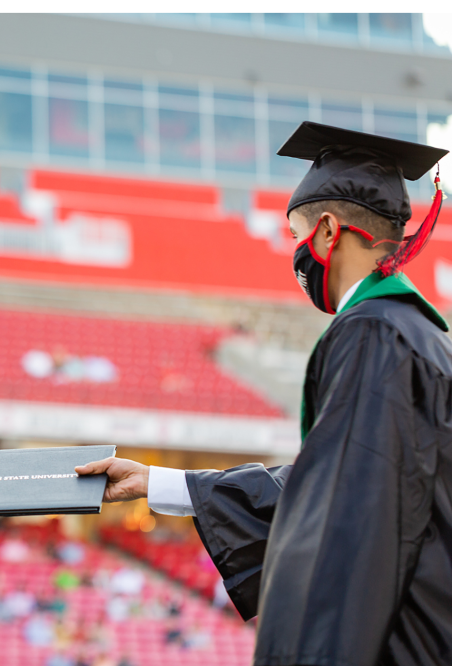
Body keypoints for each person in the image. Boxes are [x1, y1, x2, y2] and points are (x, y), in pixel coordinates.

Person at [78, 123, 451, 665]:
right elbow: (336, 484)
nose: (296, 251)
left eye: (295, 233)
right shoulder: (421, 335)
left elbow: (350, 522)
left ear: (326, 231)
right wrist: (160, 482)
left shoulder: (373, 334)